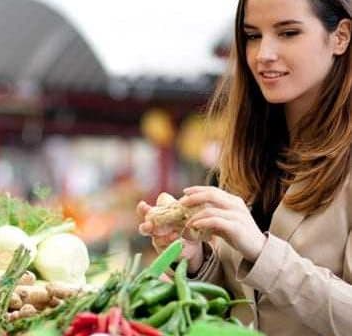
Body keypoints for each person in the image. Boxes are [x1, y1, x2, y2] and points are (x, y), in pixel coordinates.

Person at [137, 0, 352, 335]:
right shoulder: (248, 153)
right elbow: (245, 307)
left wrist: (263, 252)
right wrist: (197, 262)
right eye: (252, 35)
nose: (263, 53)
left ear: (341, 36)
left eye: (288, 32)